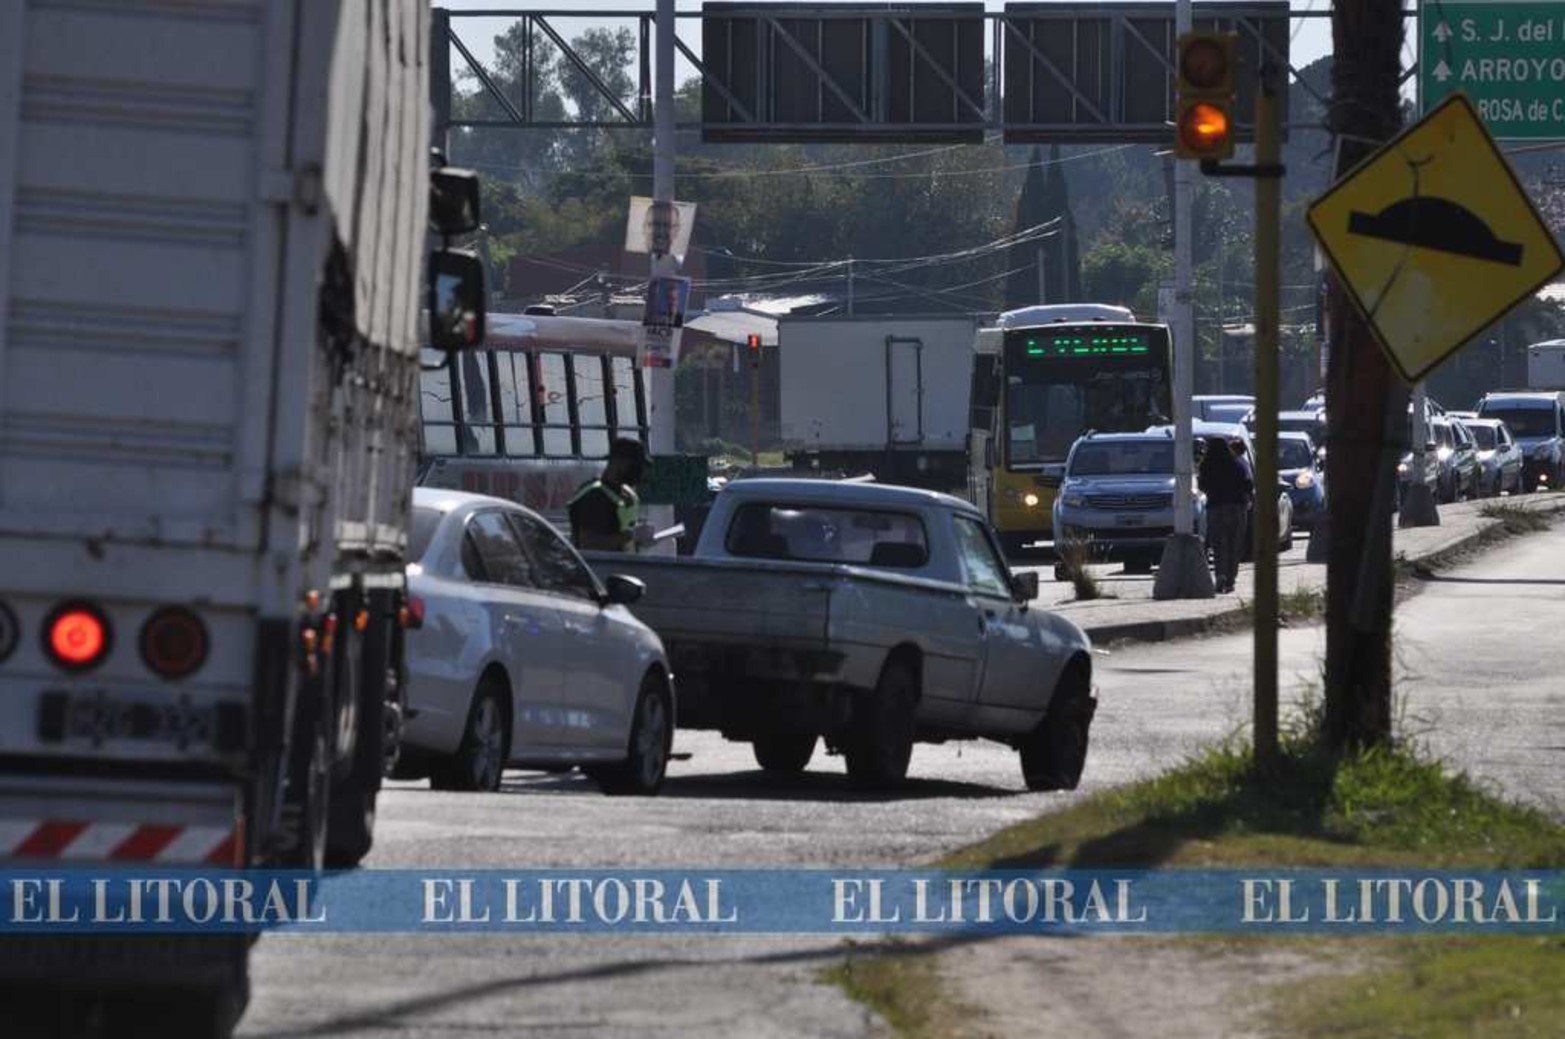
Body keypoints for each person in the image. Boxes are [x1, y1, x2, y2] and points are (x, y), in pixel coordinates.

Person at [568, 437, 655, 552]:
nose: (640, 472)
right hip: (601, 568)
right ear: (619, 463)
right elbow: (589, 543)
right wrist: (631, 536)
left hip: (626, 568)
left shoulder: (627, 494)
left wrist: (640, 539)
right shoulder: (594, 495)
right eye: (636, 466)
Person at [1199, 435, 1252, 593]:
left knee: (1218, 544)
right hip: (1237, 508)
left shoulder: (1206, 466)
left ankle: (1220, 574)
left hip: (1215, 508)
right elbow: (1248, 484)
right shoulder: (1237, 464)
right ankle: (1230, 579)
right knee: (1235, 544)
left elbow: (1202, 485)